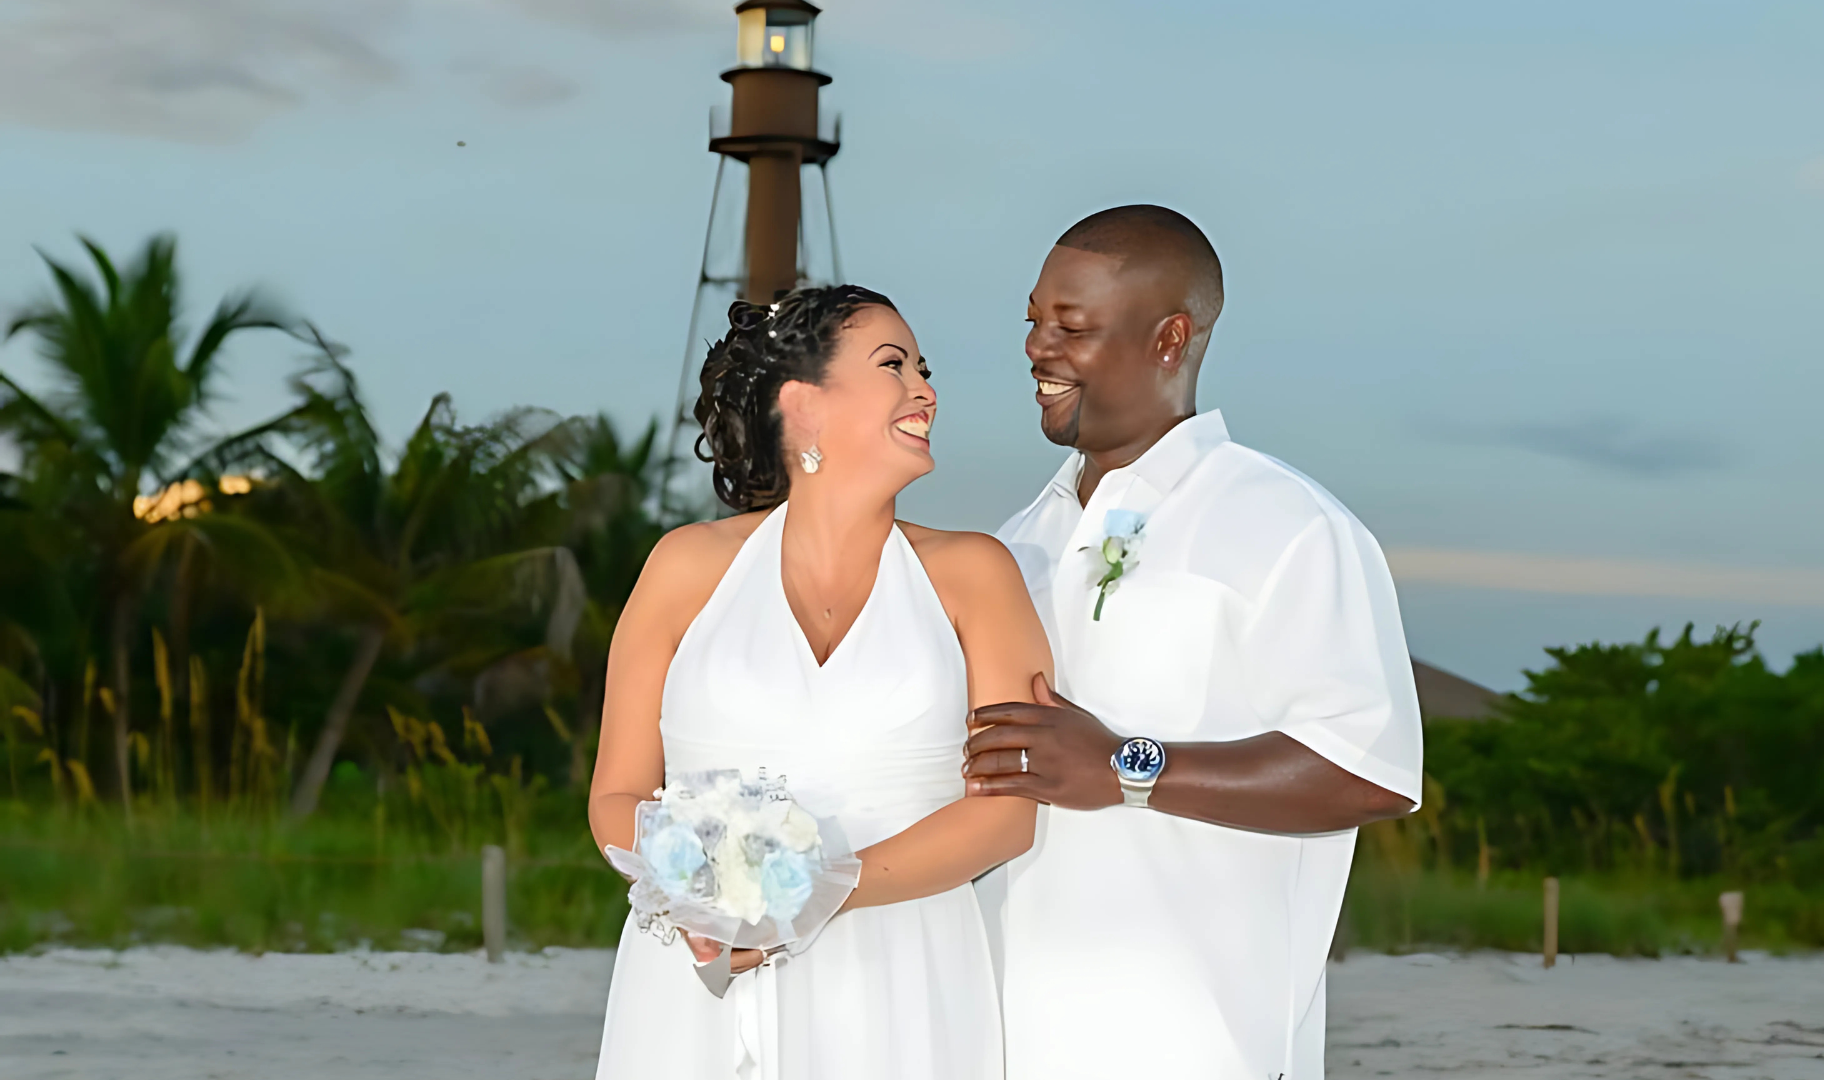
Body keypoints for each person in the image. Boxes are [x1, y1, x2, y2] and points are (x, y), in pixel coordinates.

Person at [964, 206, 1425, 1080]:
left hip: (1195, 1040)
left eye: (1072, 326)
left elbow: (1369, 770)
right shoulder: (1013, 543)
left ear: (1169, 339)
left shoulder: (1290, 527)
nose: (1036, 347)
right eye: (1032, 319)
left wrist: (1123, 769)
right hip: (995, 1036)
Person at [590, 286, 1052, 1080]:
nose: (925, 388)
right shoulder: (685, 567)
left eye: (923, 368)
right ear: (802, 406)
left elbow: (1009, 815)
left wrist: (812, 894)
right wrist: (710, 894)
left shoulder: (975, 573)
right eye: (893, 365)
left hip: (903, 969)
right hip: (704, 965)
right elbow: (615, 795)